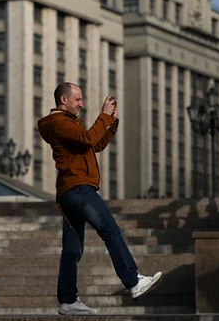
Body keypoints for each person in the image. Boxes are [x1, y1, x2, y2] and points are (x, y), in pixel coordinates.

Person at [37, 82, 163, 316]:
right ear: (63, 100)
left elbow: (94, 144)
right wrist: (103, 115)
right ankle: (133, 281)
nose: (81, 104)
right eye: (78, 99)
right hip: (78, 189)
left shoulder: (70, 124)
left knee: (72, 249)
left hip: (71, 191)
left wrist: (111, 123)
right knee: (110, 231)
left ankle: (67, 300)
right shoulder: (59, 122)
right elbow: (87, 139)